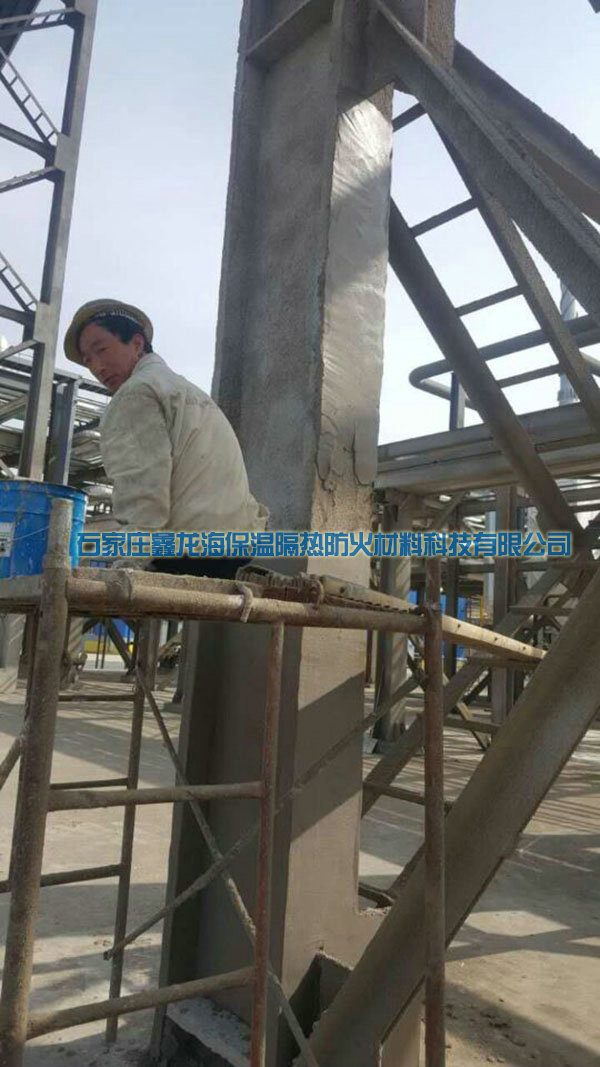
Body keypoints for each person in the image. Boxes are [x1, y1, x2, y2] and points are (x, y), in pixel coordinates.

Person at [64, 298, 267, 577]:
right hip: (236, 548)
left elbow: (143, 494)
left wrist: (128, 566)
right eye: (88, 360)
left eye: (101, 349)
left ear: (137, 343)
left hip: (187, 553)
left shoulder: (135, 394)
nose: (97, 367)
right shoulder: (187, 391)